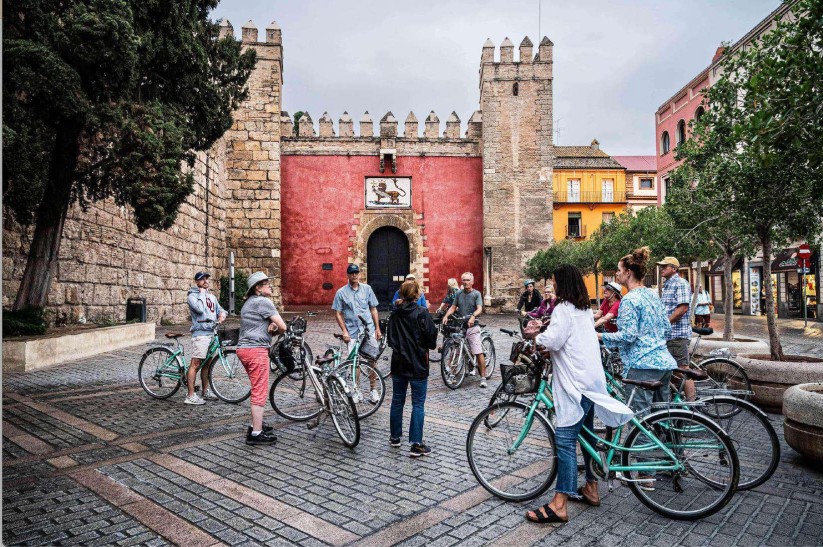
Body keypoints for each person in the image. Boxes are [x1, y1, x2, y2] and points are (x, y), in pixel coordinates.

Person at [525, 265, 633, 524]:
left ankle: (560, 503)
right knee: (586, 436)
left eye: (554, 281)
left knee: (564, 440)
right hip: (591, 383)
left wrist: (536, 336)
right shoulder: (583, 309)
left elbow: (554, 341)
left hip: (576, 385)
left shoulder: (564, 309)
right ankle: (591, 488)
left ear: (562, 284)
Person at [599, 247, 678, 413]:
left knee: (639, 421)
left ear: (628, 272)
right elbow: (666, 326)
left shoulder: (629, 300)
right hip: (664, 363)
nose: (617, 274)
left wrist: (600, 335)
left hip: (642, 366)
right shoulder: (652, 294)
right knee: (660, 419)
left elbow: (628, 336)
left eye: (619, 270)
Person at [387, 280, 439, 457]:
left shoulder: (394, 314)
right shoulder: (422, 313)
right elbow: (431, 340)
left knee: (397, 400)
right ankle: (416, 443)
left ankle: (395, 437)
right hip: (418, 363)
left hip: (399, 362)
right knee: (418, 404)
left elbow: (390, 340)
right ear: (417, 294)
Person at [236, 271, 286, 445]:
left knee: (256, 387)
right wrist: (276, 328)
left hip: (244, 350)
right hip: (256, 351)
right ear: (257, 287)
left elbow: (257, 325)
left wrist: (269, 327)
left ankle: (255, 425)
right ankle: (256, 433)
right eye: (266, 283)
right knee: (259, 392)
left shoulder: (248, 303)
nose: (269, 285)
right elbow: (283, 327)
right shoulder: (264, 302)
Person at [332, 264, 382, 403]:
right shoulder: (341, 292)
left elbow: (373, 309)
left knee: (372, 361)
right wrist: (344, 331)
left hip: (368, 331)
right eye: (352, 273)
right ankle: (356, 390)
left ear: (359, 274)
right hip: (352, 332)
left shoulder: (367, 289)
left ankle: (373, 390)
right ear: (347, 275)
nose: (354, 275)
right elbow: (338, 313)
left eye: (356, 273)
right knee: (355, 363)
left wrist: (377, 328)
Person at [185, 272, 227, 405]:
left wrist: (222, 314)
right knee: (195, 364)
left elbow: (222, 310)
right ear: (196, 282)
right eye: (201, 279)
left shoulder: (212, 297)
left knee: (207, 364)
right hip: (200, 334)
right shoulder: (192, 296)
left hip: (211, 333)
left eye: (206, 278)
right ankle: (190, 395)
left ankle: (205, 391)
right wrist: (202, 293)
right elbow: (199, 309)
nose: (205, 281)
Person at [657, 256, 694, 400]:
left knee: (682, 370)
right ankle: (676, 404)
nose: (661, 269)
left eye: (665, 266)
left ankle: (692, 405)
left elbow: (683, 308)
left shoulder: (680, 283)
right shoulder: (667, 284)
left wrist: (665, 323)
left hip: (677, 335)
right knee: (672, 370)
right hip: (669, 335)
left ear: (674, 269)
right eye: (661, 266)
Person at [441, 272, 488, 387]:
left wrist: (473, 316)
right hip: (461, 326)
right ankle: (453, 372)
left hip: (473, 326)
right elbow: (453, 307)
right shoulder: (459, 293)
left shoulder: (476, 294)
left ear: (472, 282)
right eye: (464, 280)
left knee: (477, 351)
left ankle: (483, 377)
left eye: (468, 280)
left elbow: (479, 309)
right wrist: (446, 316)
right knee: (457, 348)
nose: (466, 282)